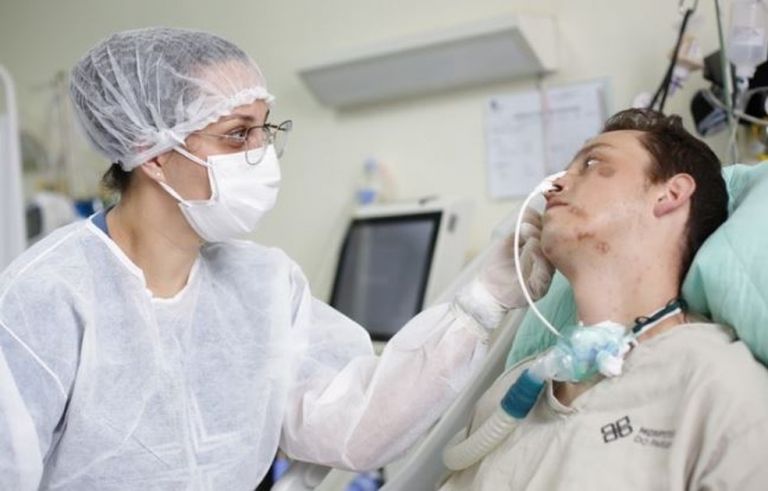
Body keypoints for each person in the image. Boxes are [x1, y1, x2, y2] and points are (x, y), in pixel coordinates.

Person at [0, 27, 553, 489]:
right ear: (155, 156)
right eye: (237, 134)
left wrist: (482, 302)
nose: (260, 155)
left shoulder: (262, 284)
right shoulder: (47, 296)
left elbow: (353, 423)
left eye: (264, 130)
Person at [439, 108, 768, 490]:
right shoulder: (511, 392)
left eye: (592, 163)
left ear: (671, 194)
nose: (553, 186)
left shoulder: (718, 389)